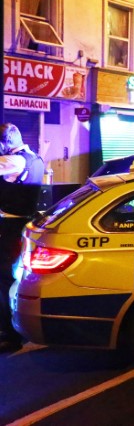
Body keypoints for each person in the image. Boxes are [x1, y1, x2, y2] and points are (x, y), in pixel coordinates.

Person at [0, 123, 45, 353]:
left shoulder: (14, 161)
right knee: (16, 278)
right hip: (25, 223)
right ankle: (16, 329)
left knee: (4, 280)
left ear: (6, 142)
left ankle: (9, 335)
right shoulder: (35, 158)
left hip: (10, 226)